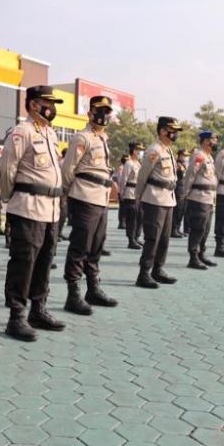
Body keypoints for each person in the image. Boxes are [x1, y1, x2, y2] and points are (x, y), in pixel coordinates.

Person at [0, 85, 67, 341]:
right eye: (47, 103)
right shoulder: (22, 132)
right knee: (23, 262)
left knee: (44, 261)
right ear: (33, 105)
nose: (52, 108)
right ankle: (16, 316)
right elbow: (7, 169)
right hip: (27, 207)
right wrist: (9, 199)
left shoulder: (50, 134)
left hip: (50, 210)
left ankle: (38, 309)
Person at [61, 95, 118, 315]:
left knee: (96, 246)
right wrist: (68, 194)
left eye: (107, 111)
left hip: (100, 199)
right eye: (99, 110)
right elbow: (68, 170)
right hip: (84, 198)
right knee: (80, 246)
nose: (103, 115)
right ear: (90, 113)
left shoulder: (103, 139)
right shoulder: (81, 138)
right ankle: (73, 295)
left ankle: (93, 289)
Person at [133, 117, 182, 288]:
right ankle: (144, 274)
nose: (175, 134)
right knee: (152, 238)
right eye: (172, 130)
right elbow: (143, 175)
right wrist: (138, 196)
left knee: (164, 239)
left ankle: (158, 270)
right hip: (154, 198)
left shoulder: (168, 150)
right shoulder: (154, 150)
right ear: (162, 131)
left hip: (168, 198)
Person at [181, 130, 219, 270]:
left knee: (206, 228)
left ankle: (201, 254)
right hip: (199, 197)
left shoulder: (209, 157)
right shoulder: (199, 155)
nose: (215, 143)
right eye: (213, 140)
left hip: (208, 198)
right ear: (205, 141)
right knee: (198, 228)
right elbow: (191, 174)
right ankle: (193, 257)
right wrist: (186, 193)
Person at [119, 144, 143, 249]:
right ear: (134, 151)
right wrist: (122, 194)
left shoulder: (138, 163)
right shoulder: (129, 163)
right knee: (132, 219)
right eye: (139, 150)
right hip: (130, 193)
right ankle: (131, 239)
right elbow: (123, 180)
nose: (141, 153)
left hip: (138, 194)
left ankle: (137, 237)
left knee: (140, 217)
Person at [171, 148, 188, 237]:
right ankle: (173, 229)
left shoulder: (184, 165)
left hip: (183, 189)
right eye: (184, 156)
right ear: (180, 155)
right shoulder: (177, 164)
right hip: (178, 189)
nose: (185, 157)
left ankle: (177, 228)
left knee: (181, 211)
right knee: (177, 210)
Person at [57, 148, 69, 242]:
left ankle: (59, 232)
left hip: (64, 190)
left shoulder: (63, 162)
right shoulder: (63, 163)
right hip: (61, 190)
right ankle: (57, 233)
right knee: (62, 212)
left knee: (64, 213)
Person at [116, 154, 129, 230]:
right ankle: (121, 222)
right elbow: (120, 180)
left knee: (125, 207)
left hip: (126, 190)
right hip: (122, 189)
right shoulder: (121, 168)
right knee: (122, 207)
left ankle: (124, 221)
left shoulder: (126, 168)